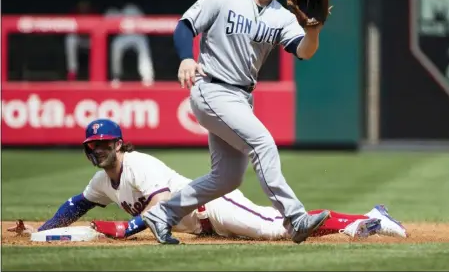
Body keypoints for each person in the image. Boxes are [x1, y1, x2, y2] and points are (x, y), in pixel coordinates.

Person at [142, 0, 336, 244]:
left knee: (227, 178)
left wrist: (313, 31)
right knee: (263, 144)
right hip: (212, 88)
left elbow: (304, 52)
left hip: (242, 97)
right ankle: (295, 217)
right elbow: (185, 26)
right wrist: (185, 57)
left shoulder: (281, 16)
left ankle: (162, 214)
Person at [7, 119, 407, 242]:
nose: (99, 150)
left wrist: (126, 229)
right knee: (276, 229)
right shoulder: (101, 182)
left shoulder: (138, 164)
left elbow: (161, 208)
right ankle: (360, 223)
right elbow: (76, 204)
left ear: (119, 143)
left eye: (105, 143)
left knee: (274, 229)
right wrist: (43, 232)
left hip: (211, 204)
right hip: (204, 227)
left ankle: (366, 216)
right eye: (93, 145)